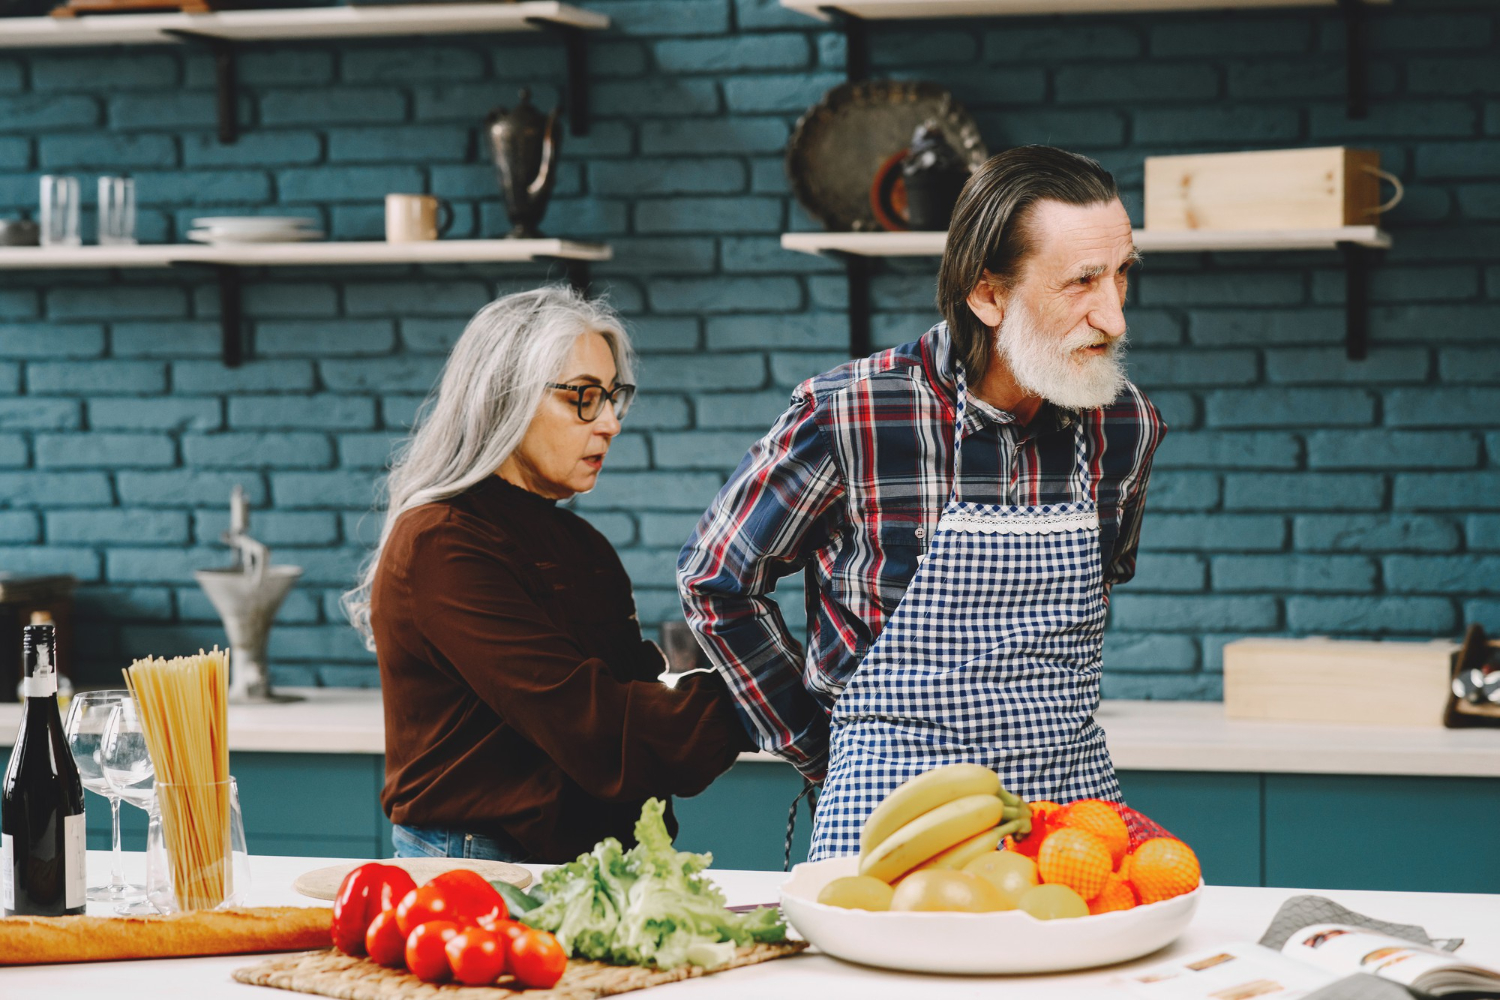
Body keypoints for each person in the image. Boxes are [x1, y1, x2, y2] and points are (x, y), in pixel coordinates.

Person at [677, 146, 1167, 860]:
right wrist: (824, 749)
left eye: (1123, 274)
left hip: (1069, 821)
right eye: (1082, 282)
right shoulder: (852, 415)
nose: (1115, 318)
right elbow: (715, 580)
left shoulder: (1125, 425)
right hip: (893, 819)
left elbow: (1103, 581)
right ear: (986, 294)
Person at [345, 286, 752, 864]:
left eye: (613, 397)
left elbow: (633, 693)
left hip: (588, 861)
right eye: (583, 398)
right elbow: (594, 726)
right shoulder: (442, 542)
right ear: (504, 400)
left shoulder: (581, 544)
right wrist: (762, 692)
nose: (610, 422)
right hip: (481, 865)